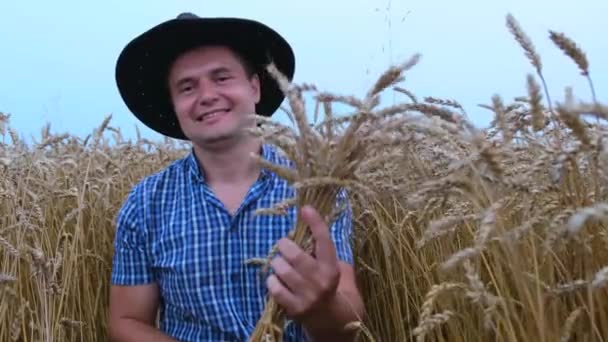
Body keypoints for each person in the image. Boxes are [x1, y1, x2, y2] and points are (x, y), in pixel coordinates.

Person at [108, 12, 365, 342]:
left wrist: (321, 307)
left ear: (255, 86)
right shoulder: (145, 203)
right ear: (174, 105)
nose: (206, 95)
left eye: (221, 78)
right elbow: (126, 321)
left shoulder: (315, 191)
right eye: (187, 87)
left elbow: (348, 324)